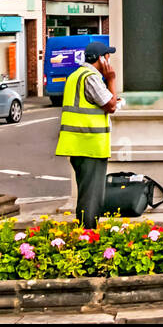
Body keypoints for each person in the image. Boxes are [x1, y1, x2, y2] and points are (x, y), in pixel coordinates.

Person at [55, 40, 121, 230]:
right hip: (89, 145)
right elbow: (111, 105)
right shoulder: (91, 77)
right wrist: (111, 80)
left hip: (79, 144)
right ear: (101, 59)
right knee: (91, 196)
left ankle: (85, 231)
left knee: (87, 193)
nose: (110, 60)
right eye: (108, 56)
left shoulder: (76, 75)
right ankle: (87, 235)